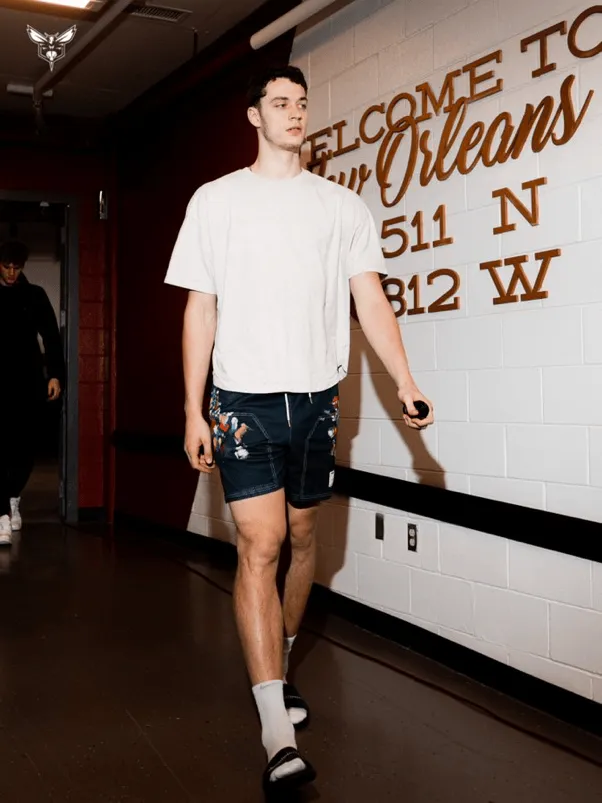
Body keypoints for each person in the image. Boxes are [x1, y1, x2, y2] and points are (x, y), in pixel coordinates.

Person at [164, 65, 434, 796]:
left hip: (316, 401)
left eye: (302, 104)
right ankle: (275, 733)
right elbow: (199, 309)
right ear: (254, 116)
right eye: (279, 103)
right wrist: (192, 409)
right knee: (262, 543)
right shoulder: (216, 200)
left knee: (304, 538)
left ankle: (279, 660)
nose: (294, 113)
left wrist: (405, 379)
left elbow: (369, 299)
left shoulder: (340, 206)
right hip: (242, 401)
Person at [0, 240, 65, 543]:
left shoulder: (34, 295)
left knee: (25, 448)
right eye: (6, 266)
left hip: (27, 381)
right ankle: (2, 514)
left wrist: (56, 375)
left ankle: (12, 496)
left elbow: (51, 336)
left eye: (16, 267)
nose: (11, 272)